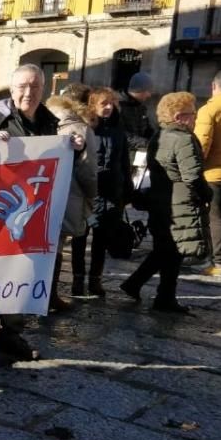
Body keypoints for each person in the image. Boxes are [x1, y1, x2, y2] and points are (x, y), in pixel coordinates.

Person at [0, 64, 85, 365]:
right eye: (22, 86)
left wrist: (74, 149)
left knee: (23, 272)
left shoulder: (48, 121)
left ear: (43, 88)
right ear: (11, 88)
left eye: (34, 86)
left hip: (32, 214)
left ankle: (11, 333)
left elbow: (57, 161)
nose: (28, 92)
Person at [120, 92, 212, 312]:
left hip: (160, 201)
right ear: (180, 116)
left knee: (166, 249)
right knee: (172, 251)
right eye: (192, 114)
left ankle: (146, 288)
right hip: (179, 204)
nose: (195, 118)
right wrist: (207, 195)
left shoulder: (160, 135)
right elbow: (192, 175)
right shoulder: (183, 139)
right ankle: (161, 296)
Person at [72, 87, 130, 296]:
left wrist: (126, 190)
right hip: (88, 193)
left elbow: (124, 160)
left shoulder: (118, 128)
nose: (108, 107)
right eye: (103, 103)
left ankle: (95, 280)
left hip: (111, 193)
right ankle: (77, 280)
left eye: (111, 103)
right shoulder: (85, 128)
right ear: (93, 105)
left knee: (102, 240)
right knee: (80, 238)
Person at [45, 92, 99, 311]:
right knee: (56, 244)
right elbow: (88, 170)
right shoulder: (81, 129)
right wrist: (92, 195)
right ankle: (49, 295)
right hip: (70, 192)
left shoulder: (45, 123)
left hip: (42, 191)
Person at [194, 68, 221, 276]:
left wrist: (192, 167)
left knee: (214, 216)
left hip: (214, 172)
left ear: (214, 86)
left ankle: (218, 262)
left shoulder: (210, 109)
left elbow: (201, 144)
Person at [119, 72, 156, 155]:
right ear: (140, 90)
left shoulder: (141, 107)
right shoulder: (119, 106)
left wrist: (156, 139)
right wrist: (147, 143)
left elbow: (147, 129)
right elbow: (121, 134)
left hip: (137, 153)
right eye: (148, 91)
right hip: (122, 154)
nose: (149, 95)